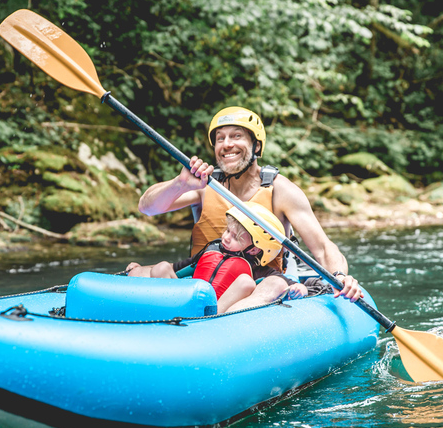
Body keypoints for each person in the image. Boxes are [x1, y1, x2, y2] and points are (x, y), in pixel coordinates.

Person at [126, 106, 362, 311]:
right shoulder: (204, 185)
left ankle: (215, 319)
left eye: (236, 136)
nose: (227, 144)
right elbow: (147, 207)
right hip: (203, 276)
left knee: (275, 284)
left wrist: (340, 276)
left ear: (256, 145)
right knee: (140, 272)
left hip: (256, 284)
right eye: (220, 138)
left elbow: (322, 247)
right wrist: (180, 184)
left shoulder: (282, 191)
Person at [127, 203, 313, 313]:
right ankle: (165, 315)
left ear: (256, 250)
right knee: (161, 268)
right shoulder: (212, 251)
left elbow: (282, 281)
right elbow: (178, 268)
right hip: (186, 304)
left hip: (219, 313)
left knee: (245, 282)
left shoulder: (254, 268)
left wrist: (299, 287)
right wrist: (139, 269)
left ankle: (212, 319)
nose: (226, 237)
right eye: (227, 231)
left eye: (235, 237)